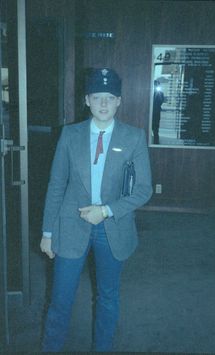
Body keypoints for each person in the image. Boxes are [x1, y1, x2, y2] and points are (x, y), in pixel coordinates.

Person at [40, 68, 152, 352]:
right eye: (97, 97)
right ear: (87, 100)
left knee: (107, 298)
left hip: (112, 227)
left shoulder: (134, 137)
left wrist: (105, 211)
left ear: (119, 102)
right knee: (60, 299)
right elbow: (56, 185)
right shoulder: (70, 135)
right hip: (70, 225)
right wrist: (48, 231)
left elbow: (143, 190)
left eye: (110, 98)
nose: (104, 104)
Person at [152, 80, 164, 144]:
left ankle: (156, 142)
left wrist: (157, 93)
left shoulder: (160, 93)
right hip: (151, 112)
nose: (156, 86)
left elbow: (161, 101)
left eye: (157, 85)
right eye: (155, 85)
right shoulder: (151, 92)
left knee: (156, 129)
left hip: (156, 113)